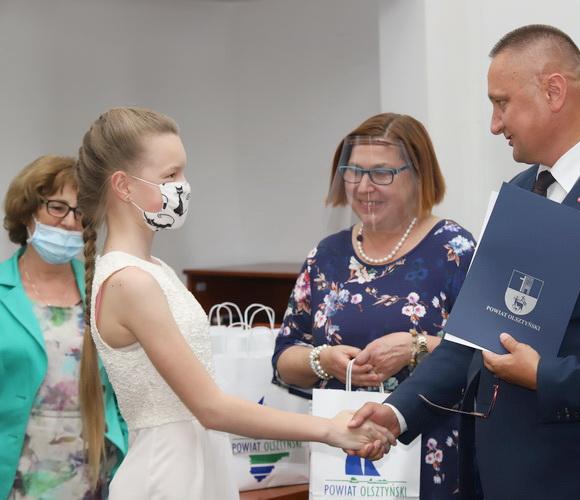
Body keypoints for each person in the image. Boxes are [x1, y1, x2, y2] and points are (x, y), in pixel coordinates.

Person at [348, 25, 580, 500]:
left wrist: (545, 376)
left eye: (502, 103)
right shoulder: (522, 192)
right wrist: (397, 413)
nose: (495, 124)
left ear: (554, 91)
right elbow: (473, 336)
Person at [75, 107, 394, 500]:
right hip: (168, 472)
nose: (183, 186)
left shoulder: (154, 270)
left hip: (195, 459)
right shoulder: (131, 282)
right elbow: (210, 407)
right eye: (170, 175)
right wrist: (329, 428)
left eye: (183, 173)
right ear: (123, 186)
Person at [273, 112, 476, 498]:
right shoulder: (326, 256)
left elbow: (482, 356)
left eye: (381, 173)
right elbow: (284, 358)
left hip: (431, 456)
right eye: (353, 172)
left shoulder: (454, 249)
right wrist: (323, 360)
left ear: (418, 174)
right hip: (343, 465)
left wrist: (415, 347)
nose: (364, 187)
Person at [0, 155, 128, 499]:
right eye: (57, 207)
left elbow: (125, 385)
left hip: (93, 476)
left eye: (80, 211)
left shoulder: (103, 289)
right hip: (17, 476)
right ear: (27, 212)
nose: (70, 222)